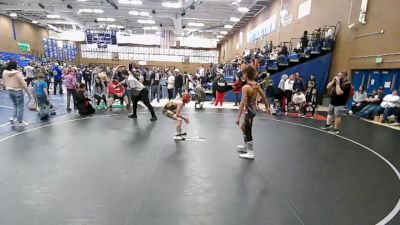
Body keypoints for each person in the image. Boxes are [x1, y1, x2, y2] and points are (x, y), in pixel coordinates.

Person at [235, 65, 269, 160]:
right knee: (243, 128)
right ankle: (247, 147)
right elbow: (264, 97)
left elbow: (242, 103)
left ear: (246, 74)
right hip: (252, 110)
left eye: (243, 73)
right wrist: (267, 107)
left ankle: (250, 153)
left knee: (247, 130)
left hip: (249, 112)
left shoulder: (246, 87)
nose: (243, 75)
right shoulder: (256, 85)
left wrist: (238, 117)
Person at [2, 60, 30, 126]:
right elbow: (23, 84)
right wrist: (28, 92)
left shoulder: (4, 72)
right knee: (20, 106)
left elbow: (3, 81)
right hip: (18, 91)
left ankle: (12, 117)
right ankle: (20, 122)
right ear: (15, 65)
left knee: (15, 105)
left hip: (9, 90)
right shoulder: (18, 73)